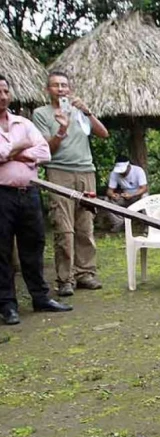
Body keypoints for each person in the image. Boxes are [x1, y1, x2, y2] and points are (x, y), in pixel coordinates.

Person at [0, 74, 72, 325]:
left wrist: (15, 152)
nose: (3, 96)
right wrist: (17, 150)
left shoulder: (23, 123)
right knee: (2, 249)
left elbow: (43, 153)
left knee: (34, 244)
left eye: (5, 91)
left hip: (28, 192)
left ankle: (40, 297)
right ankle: (7, 305)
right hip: (2, 194)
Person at [32, 70, 109, 297]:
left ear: (70, 88)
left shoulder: (79, 112)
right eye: (56, 85)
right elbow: (45, 150)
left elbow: (103, 133)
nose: (61, 89)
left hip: (86, 171)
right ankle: (65, 279)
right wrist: (62, 129)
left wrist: (87, 112)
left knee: (85, 226)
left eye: (64, 85)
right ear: (48, 90)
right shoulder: (41, 114)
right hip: (59, 172)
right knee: (64, 229)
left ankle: (85, 273)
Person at [105, 155, 148, 232]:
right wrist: (113, 195)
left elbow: (144, 188)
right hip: (124, 196)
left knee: (145, 198)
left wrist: (132, 195)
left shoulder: (138, 171)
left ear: (128, 166)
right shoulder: (114, 174)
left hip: (137, 196)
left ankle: (148, 225)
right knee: (106, 201)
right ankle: (119, 223)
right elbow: (109, 190)